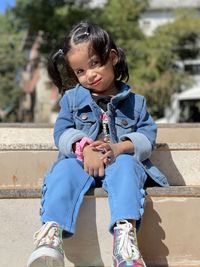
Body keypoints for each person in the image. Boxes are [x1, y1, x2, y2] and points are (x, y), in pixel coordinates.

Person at [27, 21, 169, 267]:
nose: (89, 75)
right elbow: (61, 132)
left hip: (118, 164)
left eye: (95, 64)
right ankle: (51, 237)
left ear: (112, 57)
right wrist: (83, 148)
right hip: (81, 164)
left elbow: (148, 136)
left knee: (128, 165)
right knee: (63, 169)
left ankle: (125, 243)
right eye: (80, 71)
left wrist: (119, 147)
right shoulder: (71, 100)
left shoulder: (136, 102)